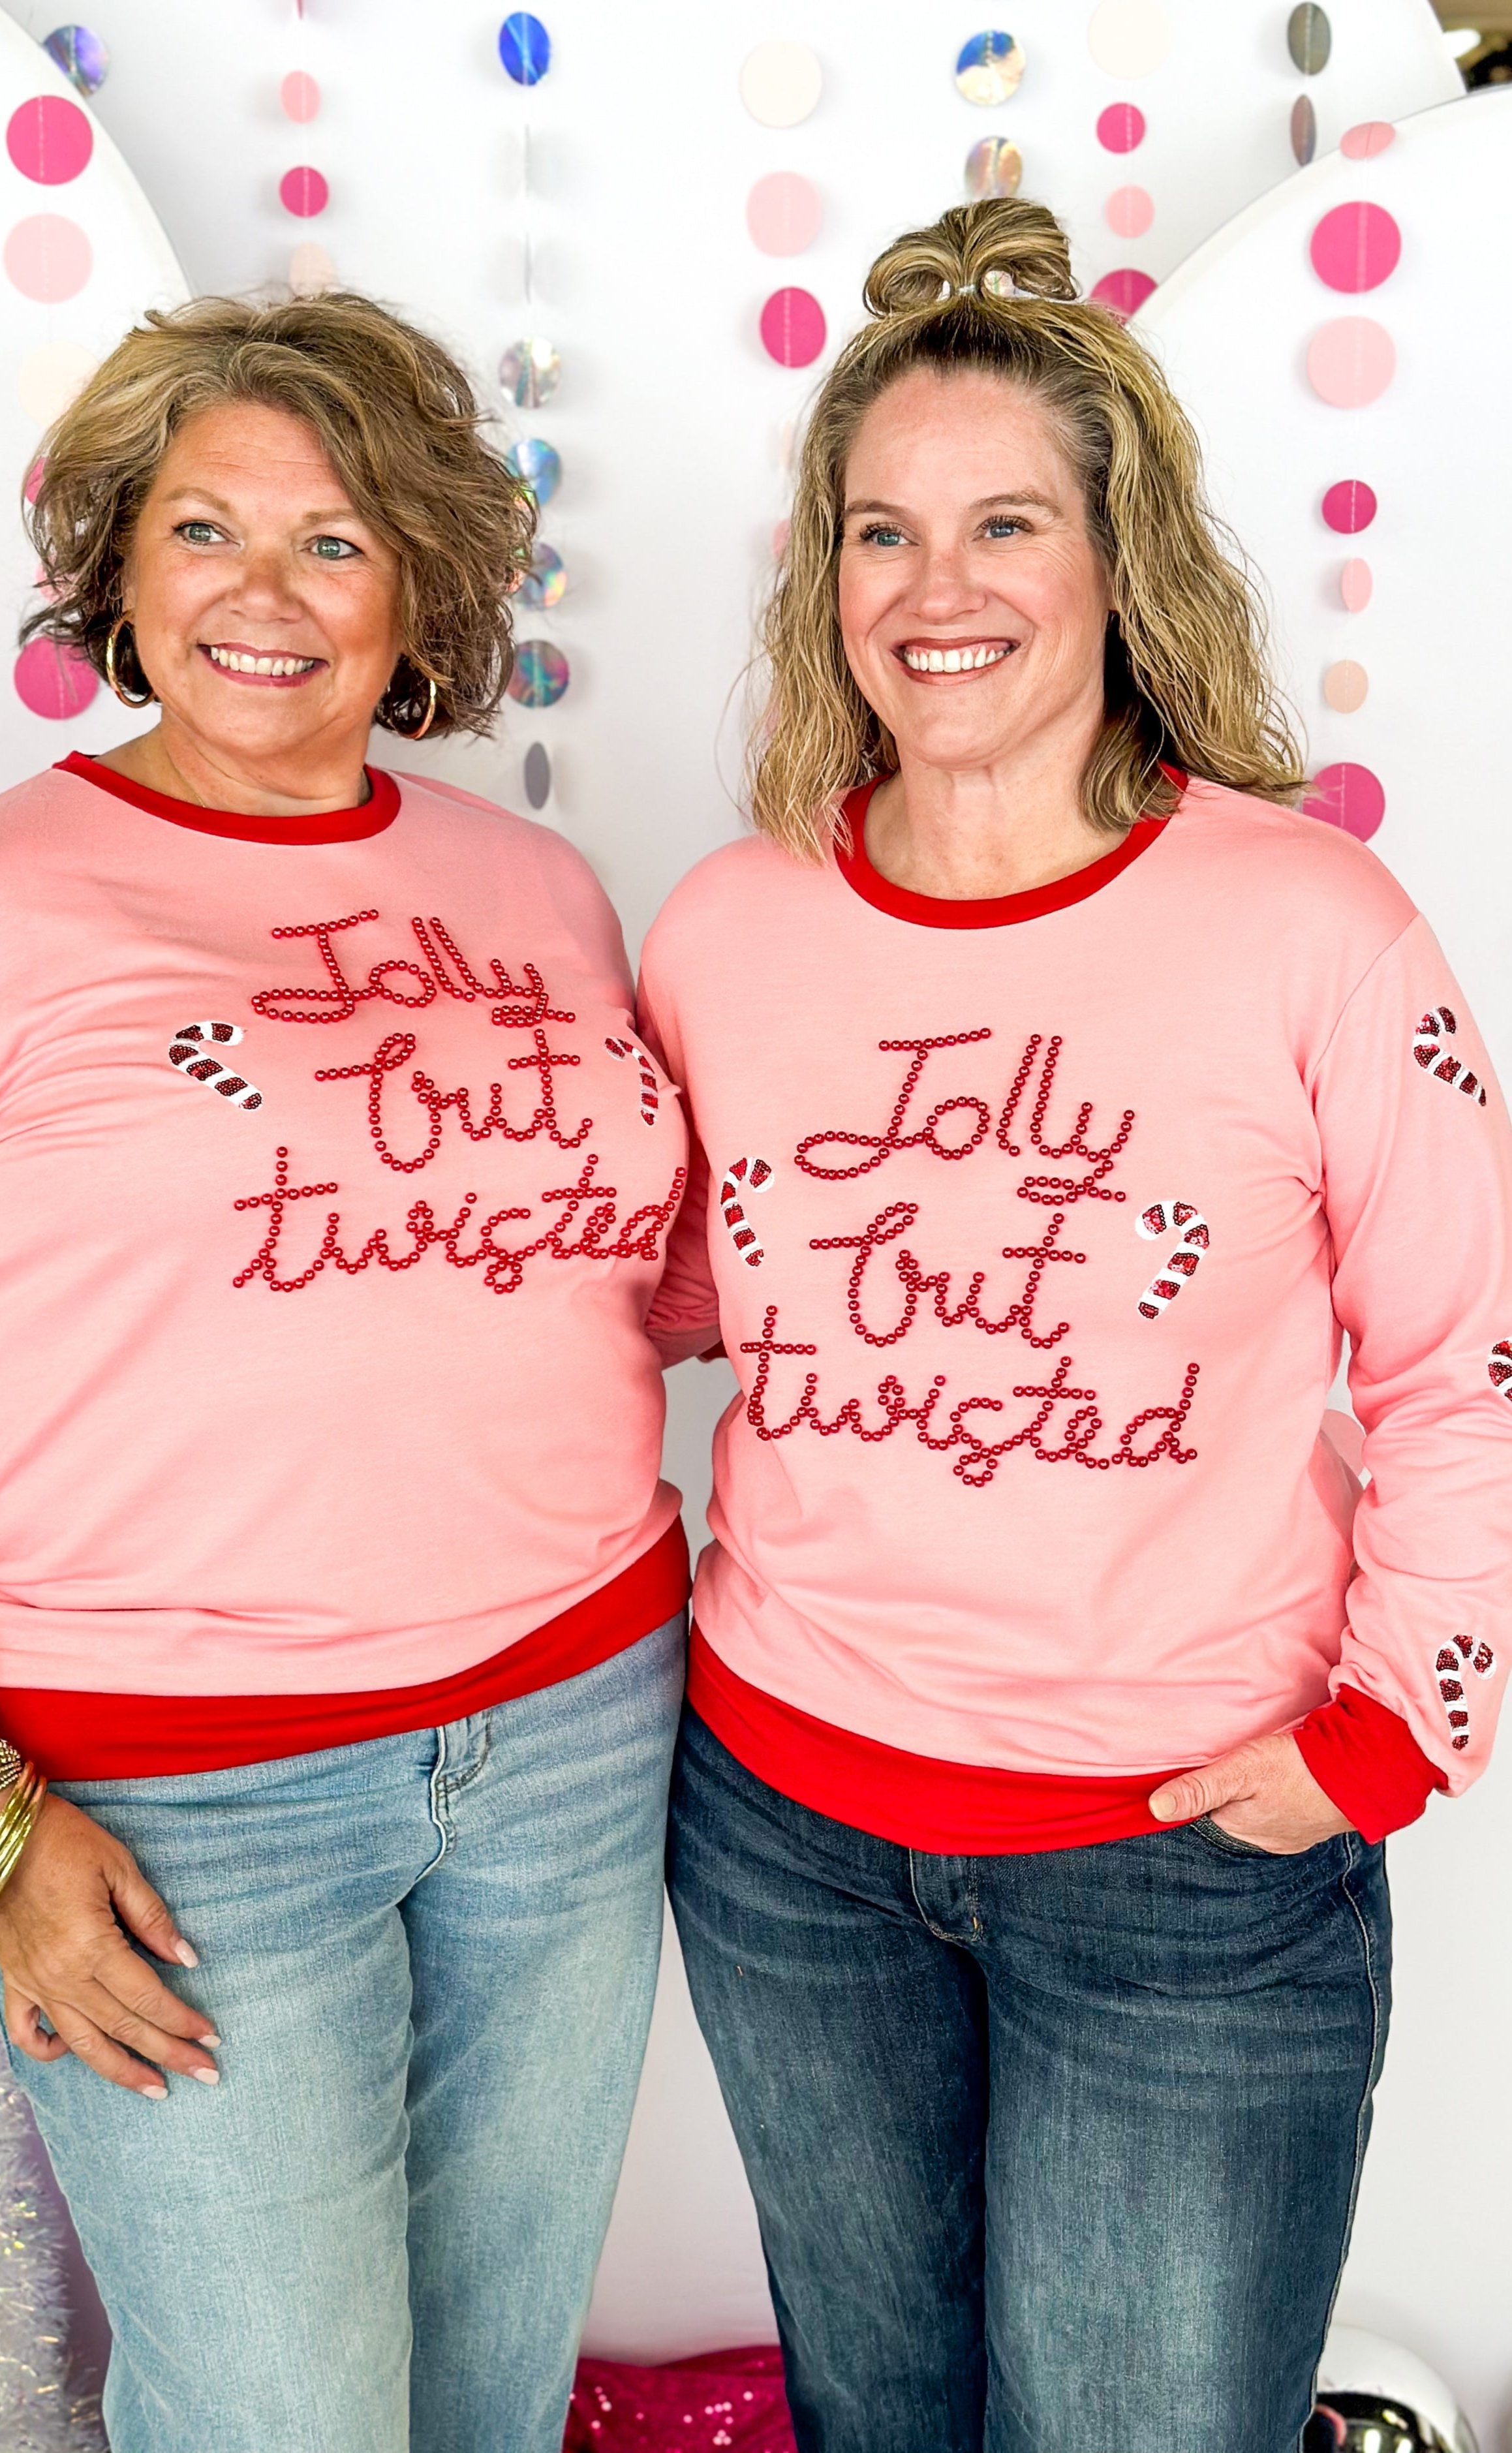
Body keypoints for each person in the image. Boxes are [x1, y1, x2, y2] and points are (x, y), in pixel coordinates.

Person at [0, 290, 690, 2453]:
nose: (264, 596)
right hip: (173, 1806)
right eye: (204, 529)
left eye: (337, 541)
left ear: (421, 594)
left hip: (574, 1736)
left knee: (483, 2391)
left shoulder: (540, 889)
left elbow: (602, 1273)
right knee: (280, 2415)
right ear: (118, 564)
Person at [638, 200, 1512, 2453]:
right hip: (787, 1836)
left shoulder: (1311, 920)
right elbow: (652, 1300)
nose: (941, 592)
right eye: (883, 532)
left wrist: (1391, 1736)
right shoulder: (731, 931)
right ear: (826, 581)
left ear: (1122, 565)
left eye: (1006, 521)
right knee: (880, 2414)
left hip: (1185, 1865)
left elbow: (1468, 1356)